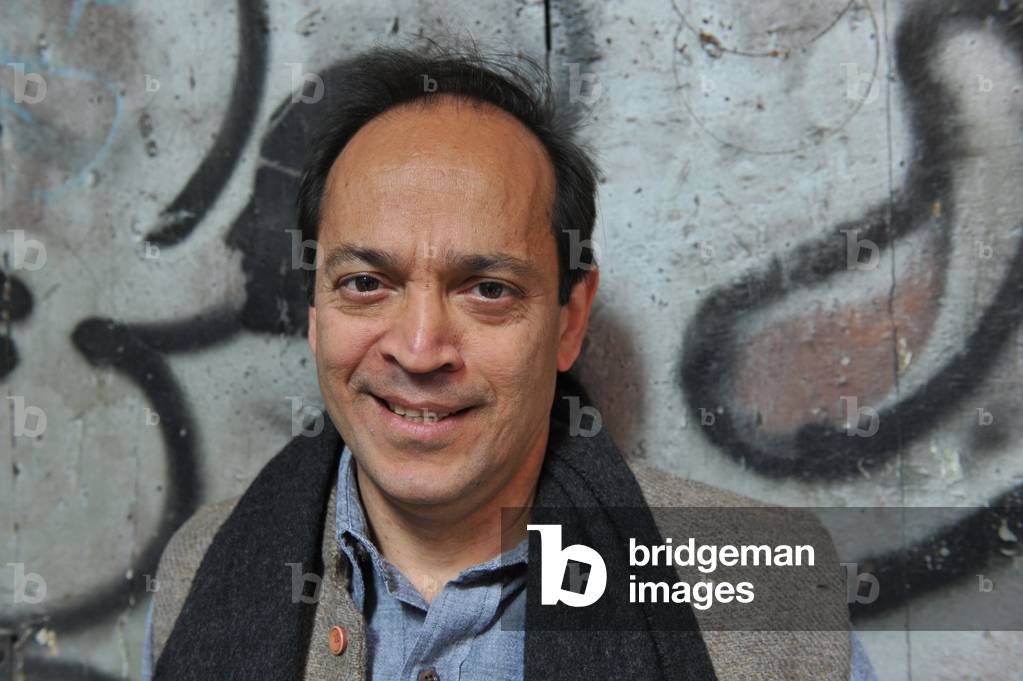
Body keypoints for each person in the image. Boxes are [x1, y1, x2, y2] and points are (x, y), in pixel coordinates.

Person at [142, 43, 878, 681]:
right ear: (314, 310)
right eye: (365, 283)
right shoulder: (202, 568)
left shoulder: (763, 598)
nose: (420, 349)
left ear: (569, 319)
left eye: (487, 290)